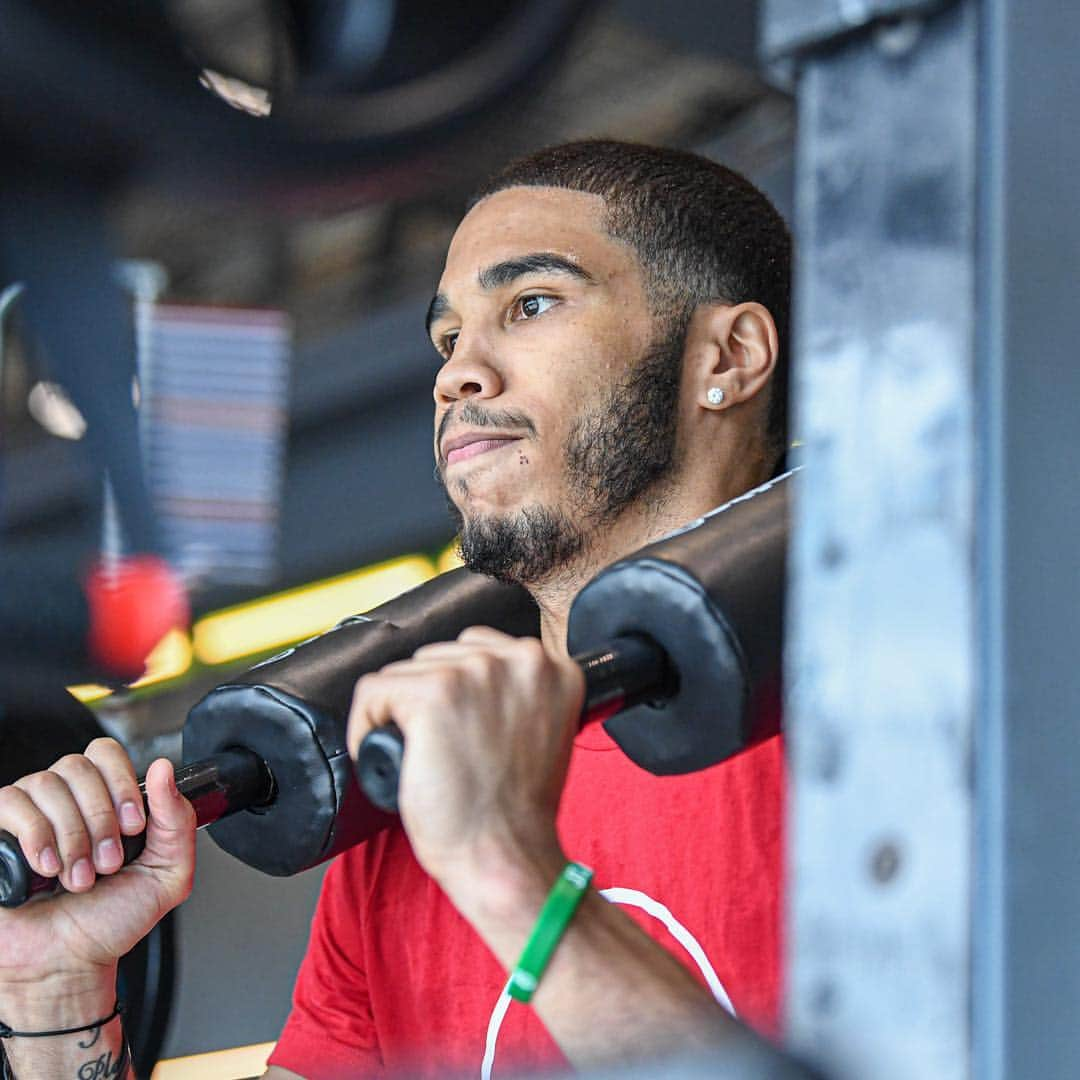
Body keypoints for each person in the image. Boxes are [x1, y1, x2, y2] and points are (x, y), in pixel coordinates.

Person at [0, 140, 790, 1079]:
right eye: (448, 337)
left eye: (531, 305)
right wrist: (56, 1002)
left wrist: (507, 871)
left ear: (728, 356)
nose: (456, 376)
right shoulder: (411, 809)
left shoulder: (908, 739)